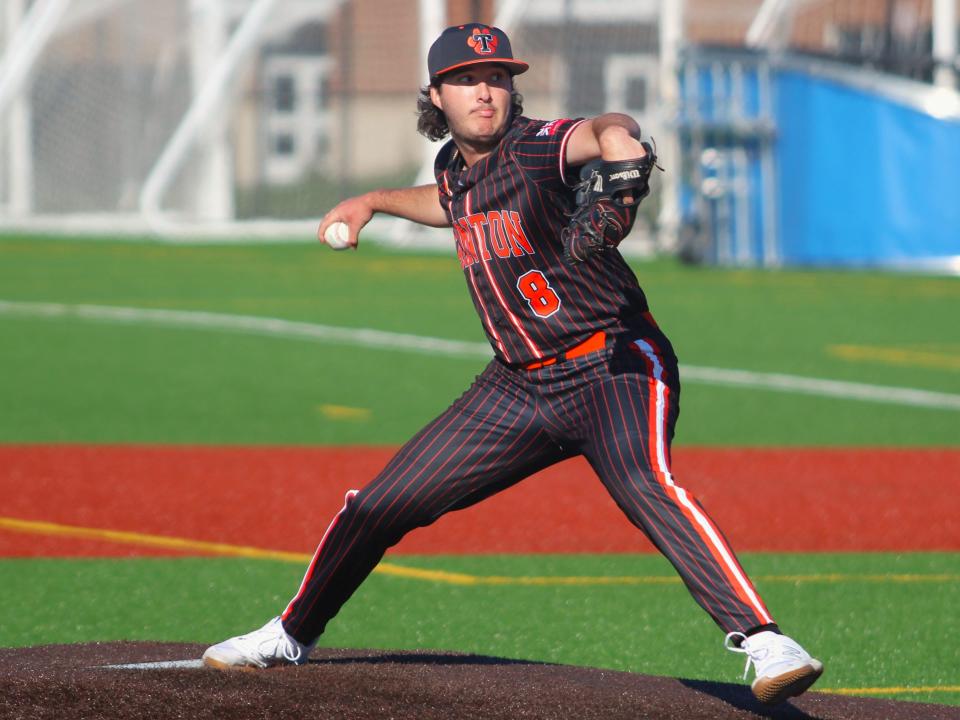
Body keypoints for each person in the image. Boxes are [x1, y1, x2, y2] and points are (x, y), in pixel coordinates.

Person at [202, 23, 823, 706]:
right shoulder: (452, 169)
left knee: (648, 485)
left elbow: (605, 129)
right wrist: (374, 201)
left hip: (612, 363)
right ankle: (292, 634)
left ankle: (764, 640)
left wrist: (621, 149)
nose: (486, 92)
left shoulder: (534, 149)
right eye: (468, 80)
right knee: (376, 504)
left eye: (498, 77)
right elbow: (449, 205)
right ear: (436, 94)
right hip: (517, 386)